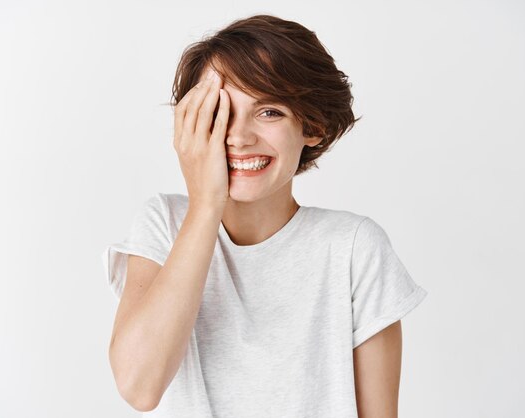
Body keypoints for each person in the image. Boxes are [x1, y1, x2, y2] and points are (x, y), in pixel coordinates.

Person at [102, 14, 428, 418]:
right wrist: (206, 205)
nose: (239, 136)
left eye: (268, 112)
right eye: (219, 113)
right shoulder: (164, 223)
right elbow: (139, 387)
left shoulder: (354, 247)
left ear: (312, 125)